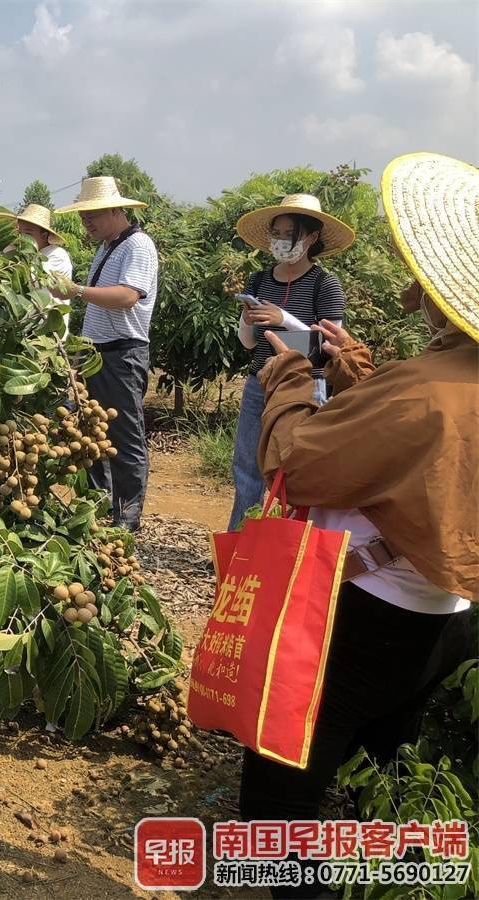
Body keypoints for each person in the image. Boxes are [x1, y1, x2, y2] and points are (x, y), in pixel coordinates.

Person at [237, 152, 477, 899]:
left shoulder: (431, 389)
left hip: (372, 612)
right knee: (383, 769)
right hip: (449, 611)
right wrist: (349, 375)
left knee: (280, 798)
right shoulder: (455, 374)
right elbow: (405, 444)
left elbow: (304, 463)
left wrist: (286, 381)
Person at [227, 194, 353, 531]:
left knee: (299, 465)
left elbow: (330, 345)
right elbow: (249, 343)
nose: (280, 241)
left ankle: (289, 543)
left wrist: (283, 317)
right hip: (261, 380)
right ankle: (241, 541)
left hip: (310, 385)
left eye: (289, 234)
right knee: (247, 466)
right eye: (277, 233)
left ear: (311, 238)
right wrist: (249, 319)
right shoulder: (259, 279)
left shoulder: (324, 284)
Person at [52, 177, 158, 532]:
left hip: (122, 354)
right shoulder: (107, 246)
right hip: (95, 351)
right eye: (83, 217)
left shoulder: (137, 246)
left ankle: (127, 516)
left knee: (125, 436)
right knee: (92, 429)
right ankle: (101, 504)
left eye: (93, 215)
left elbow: (128, 296)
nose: (87, 223)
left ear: (116, 209)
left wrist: (77, 291)